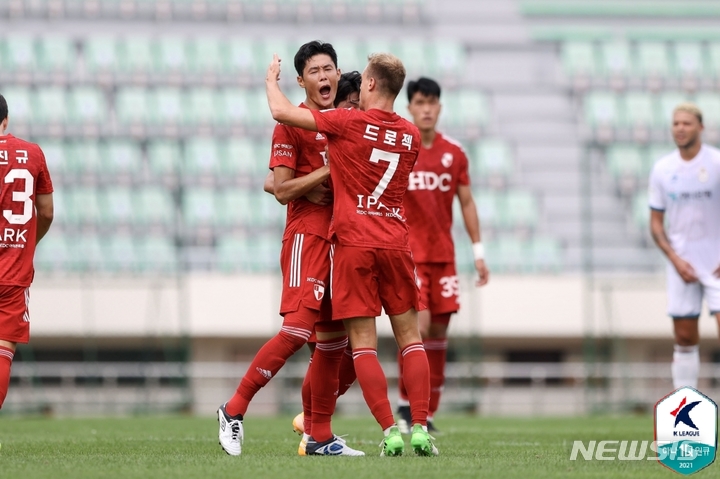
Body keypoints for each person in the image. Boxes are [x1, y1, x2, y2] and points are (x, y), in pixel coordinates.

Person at [266, 51, 438, 457]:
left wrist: (273, 80)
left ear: (373, 85)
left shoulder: (348, 122)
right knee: (411, 339)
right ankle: (421, 428)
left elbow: (282, 113)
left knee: (362, 345)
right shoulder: (412, 135)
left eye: (362, 84)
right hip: (396, 241)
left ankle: (389, 430)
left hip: (353, 245)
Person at [217, 42, 363, 457]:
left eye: (328, 68)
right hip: (306, 238)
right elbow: (280, 188)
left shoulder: (342, 123)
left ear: (338, 75)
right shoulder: (291, 125)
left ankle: (318, 435)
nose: (323, 76)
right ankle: (233, 409)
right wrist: (321, 174)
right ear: (301, 80)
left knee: (336, 346)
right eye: (314, 71)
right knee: (298, 331)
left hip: (342, 242)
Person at [261, 70, 363, 452]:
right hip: (315, 243)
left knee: (345, 351)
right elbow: (274, 184)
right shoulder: (319, 129)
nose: (353, 109)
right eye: (348, 103)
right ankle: (311, 429)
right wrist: (313, 183)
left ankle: (313, 423)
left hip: (348, 246)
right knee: (315, 340)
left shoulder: (355, 133)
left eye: (358, 104)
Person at [396, 77, 489, 433]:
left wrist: (478, 251)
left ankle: (427, 412)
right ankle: (406, 407)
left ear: (440, 107)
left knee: (438, 336)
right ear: (410, 107)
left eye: (432, 102)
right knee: (415, 330)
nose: (427, 109)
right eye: (420, 102)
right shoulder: (403, 149)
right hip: (410, 257)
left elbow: (466, 202)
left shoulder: (454, 154)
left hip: (444, 258)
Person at [648, 102, 720, 390]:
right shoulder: (663, 169)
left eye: (686, 123)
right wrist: (675, 260)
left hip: (716, 264)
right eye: (676, 123)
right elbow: (655, 224)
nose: (680, 128)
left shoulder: (716, 163)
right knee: (685, 338)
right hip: (682, 266)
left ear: (700, 127)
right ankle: (685, 405)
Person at [0, 94, 54, 418]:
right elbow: (45, 212)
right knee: (3, 350)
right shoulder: (32, 154)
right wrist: (28, 243)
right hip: (13, 271)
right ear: (5, 120)